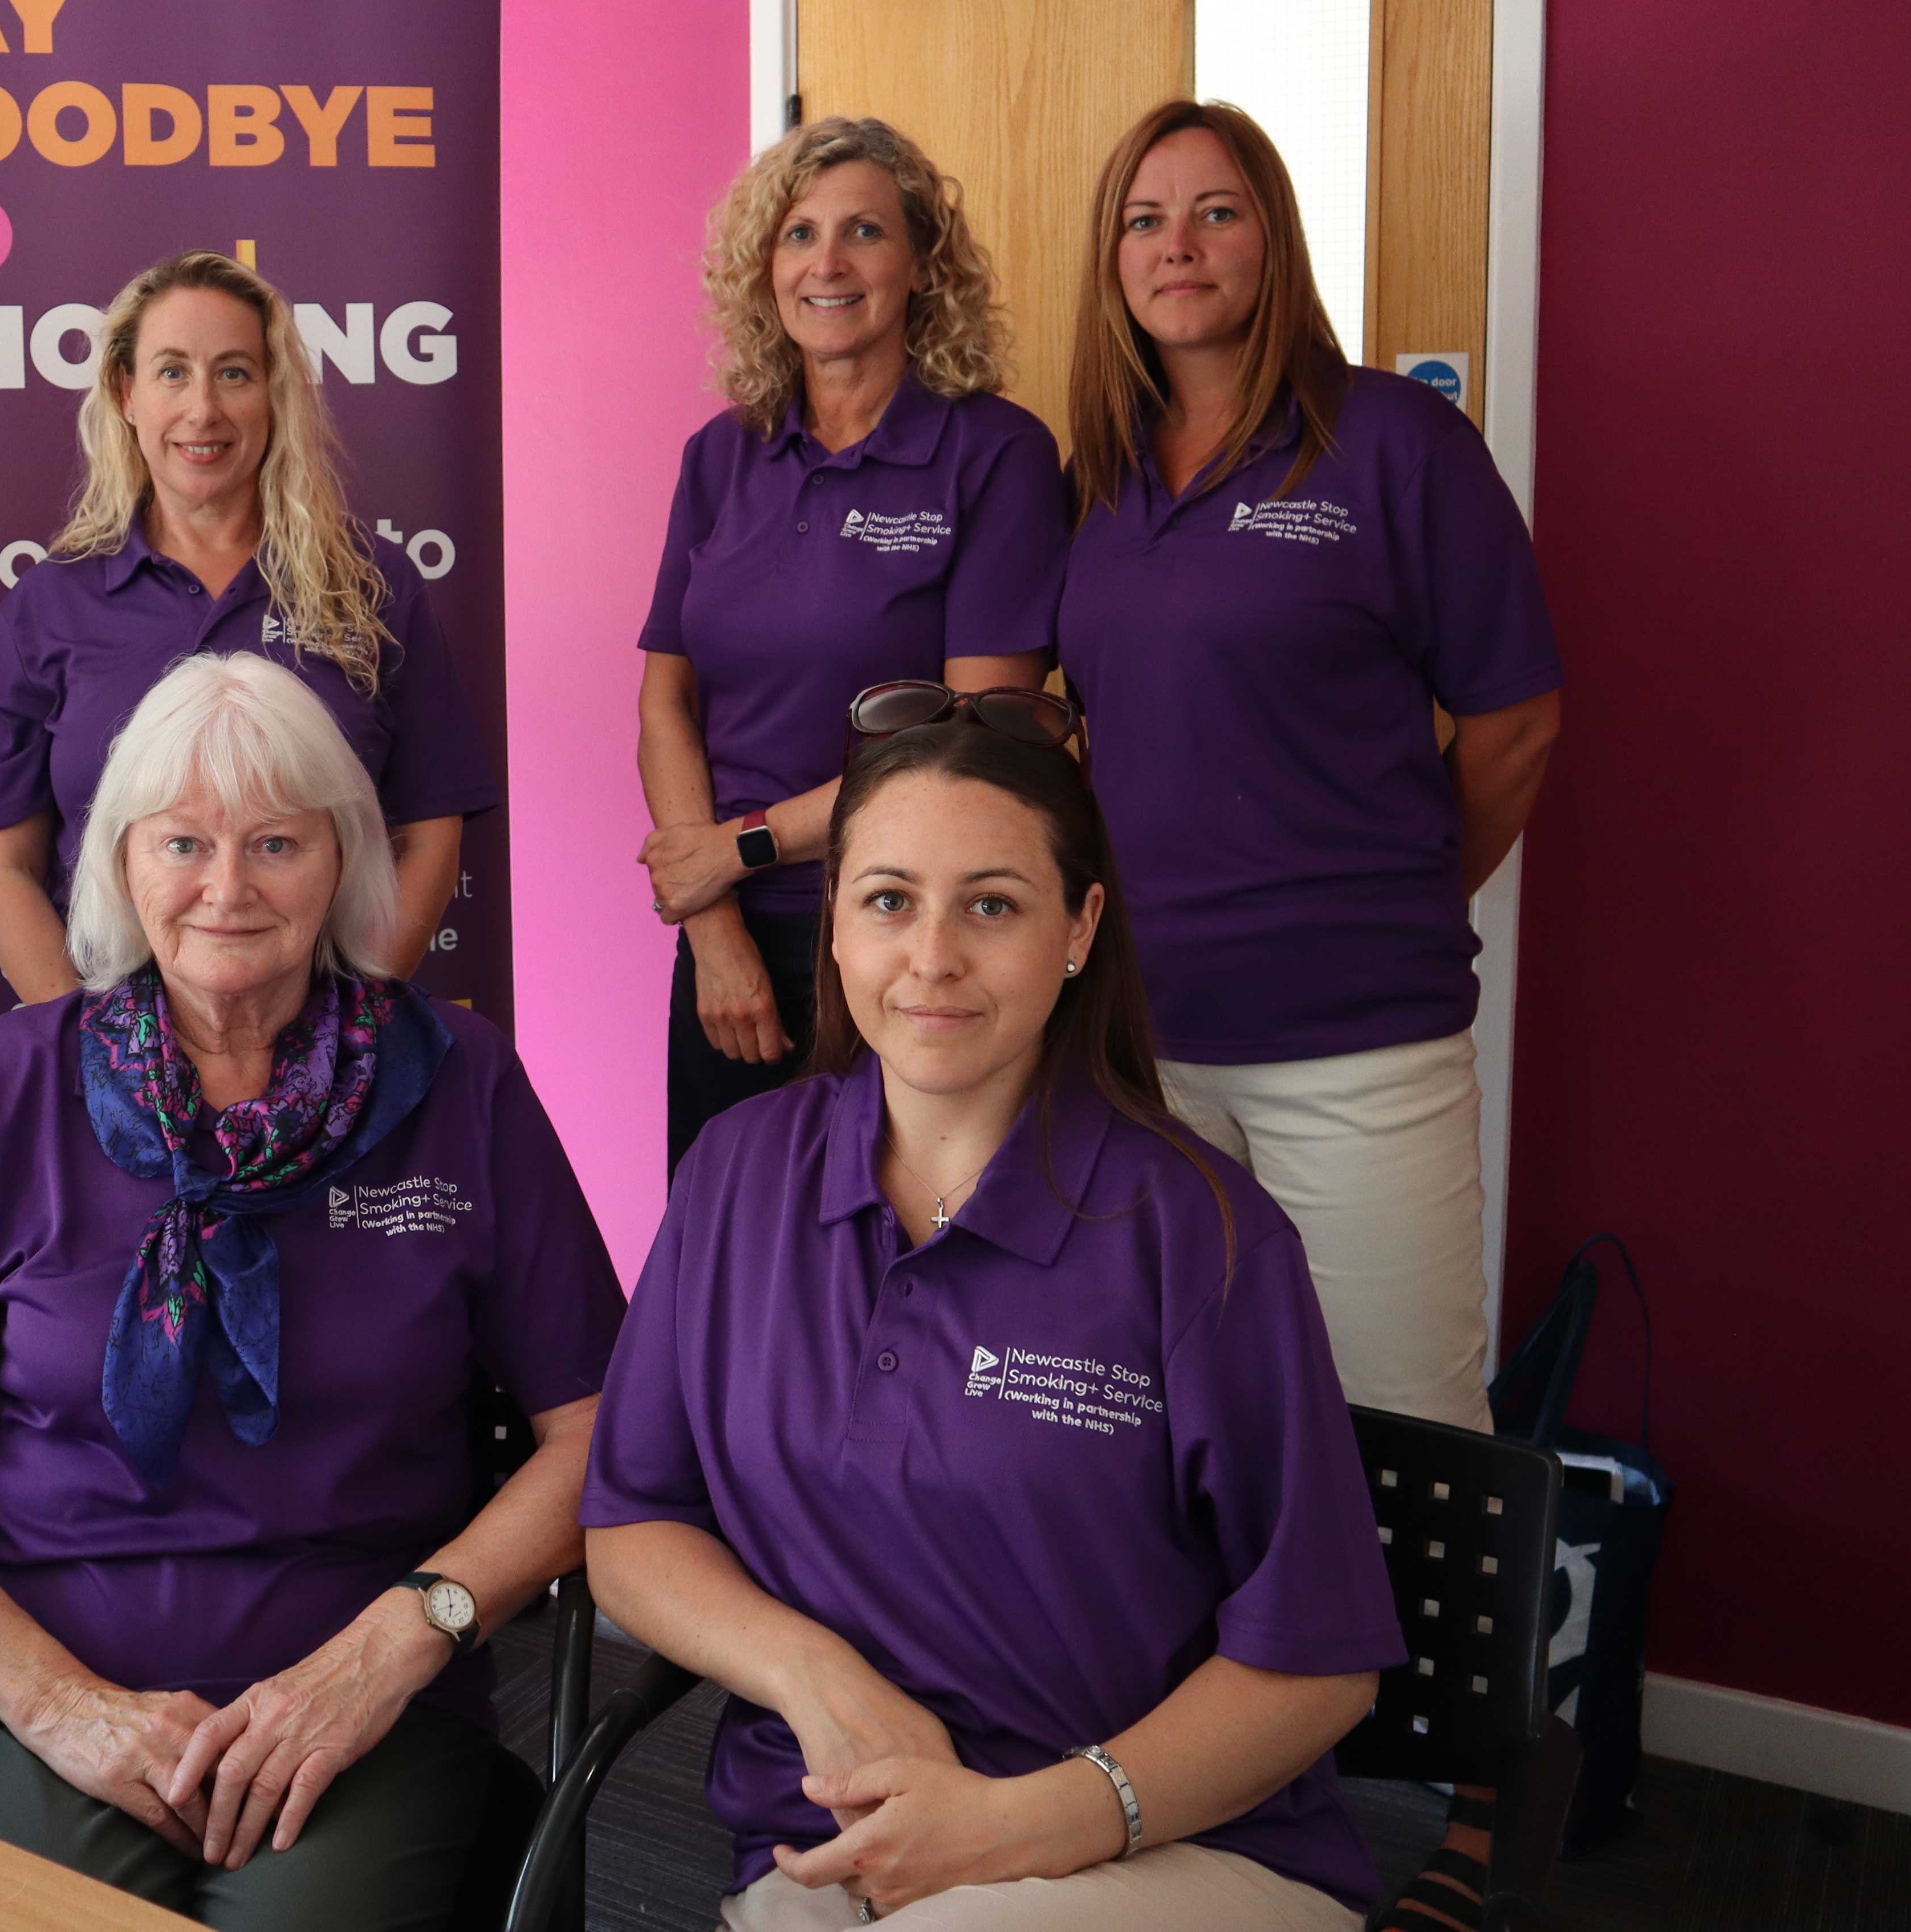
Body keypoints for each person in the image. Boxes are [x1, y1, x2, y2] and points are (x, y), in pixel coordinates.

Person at [0, 653, 620, 1931]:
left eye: (276, 841)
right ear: (122, 864)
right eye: (183, 841)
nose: (227, 887)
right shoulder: (10, 1085)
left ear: (342, 858)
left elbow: (597, 1430)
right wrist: (59, 1705)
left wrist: (396, 1644)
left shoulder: (458, 1077)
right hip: (48, 1683)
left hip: (359, 1695)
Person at [583, 703, 1402, 1930]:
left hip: (1164, 1837)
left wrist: (1024, 1822)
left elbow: (1321, 1662)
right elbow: (636, 1522)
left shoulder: (1201, 1233)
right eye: (889, 898)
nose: (932, 957)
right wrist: (818, 1676)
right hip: (833, 1833)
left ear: (1079, 929)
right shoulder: (737, 1172)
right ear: (837, 925)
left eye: (994, 903)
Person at [1054, 99, 1561, 1435]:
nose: (1180, 244)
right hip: (1140, 1046)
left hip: (1357, 1049)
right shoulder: (1094, 481)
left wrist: (1397, 898)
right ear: (1112, 258)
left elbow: (1516, 725)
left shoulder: (1399, 445)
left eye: (1218, 210)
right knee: (1178, 1422)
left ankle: (1396, 1662)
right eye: (1144, 219)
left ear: (1274, 239)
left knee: (1398, 1433)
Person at [638, 118, 1072, 1173]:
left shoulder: (994, 454)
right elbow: (665, 701)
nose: (826, 264)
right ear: (764, 268)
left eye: (864, 232)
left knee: (911, 1271)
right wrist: (714, 926)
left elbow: (977, 744)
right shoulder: (722, 456)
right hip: (734, 942)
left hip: (920, 940)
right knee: (733, 1270)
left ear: (921, 264)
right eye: (798, 235)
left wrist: (740, 846)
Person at [0, 250, 497, 1002]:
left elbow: (430, 831)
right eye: (173, 372)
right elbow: (1, 864)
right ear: (127, 393)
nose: (203, 410)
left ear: (275, 395)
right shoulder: (51, 605)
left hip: (331, 1049)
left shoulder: (372, 586)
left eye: (235, 373)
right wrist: (84, 1053)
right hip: (114, 1051)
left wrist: (353, 1030)